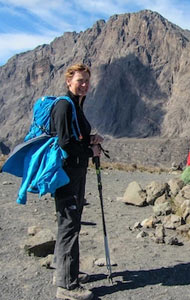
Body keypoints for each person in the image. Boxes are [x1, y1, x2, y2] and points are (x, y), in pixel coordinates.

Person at [50, 63, 103, 300]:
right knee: (70, 224)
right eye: (79, 80)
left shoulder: (75, 105)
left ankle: (64, 273)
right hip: (67, 175)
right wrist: (91, 151)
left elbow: (74, 138)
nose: (84, 85)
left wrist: (90, 139)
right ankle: (67, 287)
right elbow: (65, 144)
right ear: (68, 81)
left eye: (86, 81)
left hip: (75, 173)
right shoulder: (64, 106)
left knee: (70, 223)